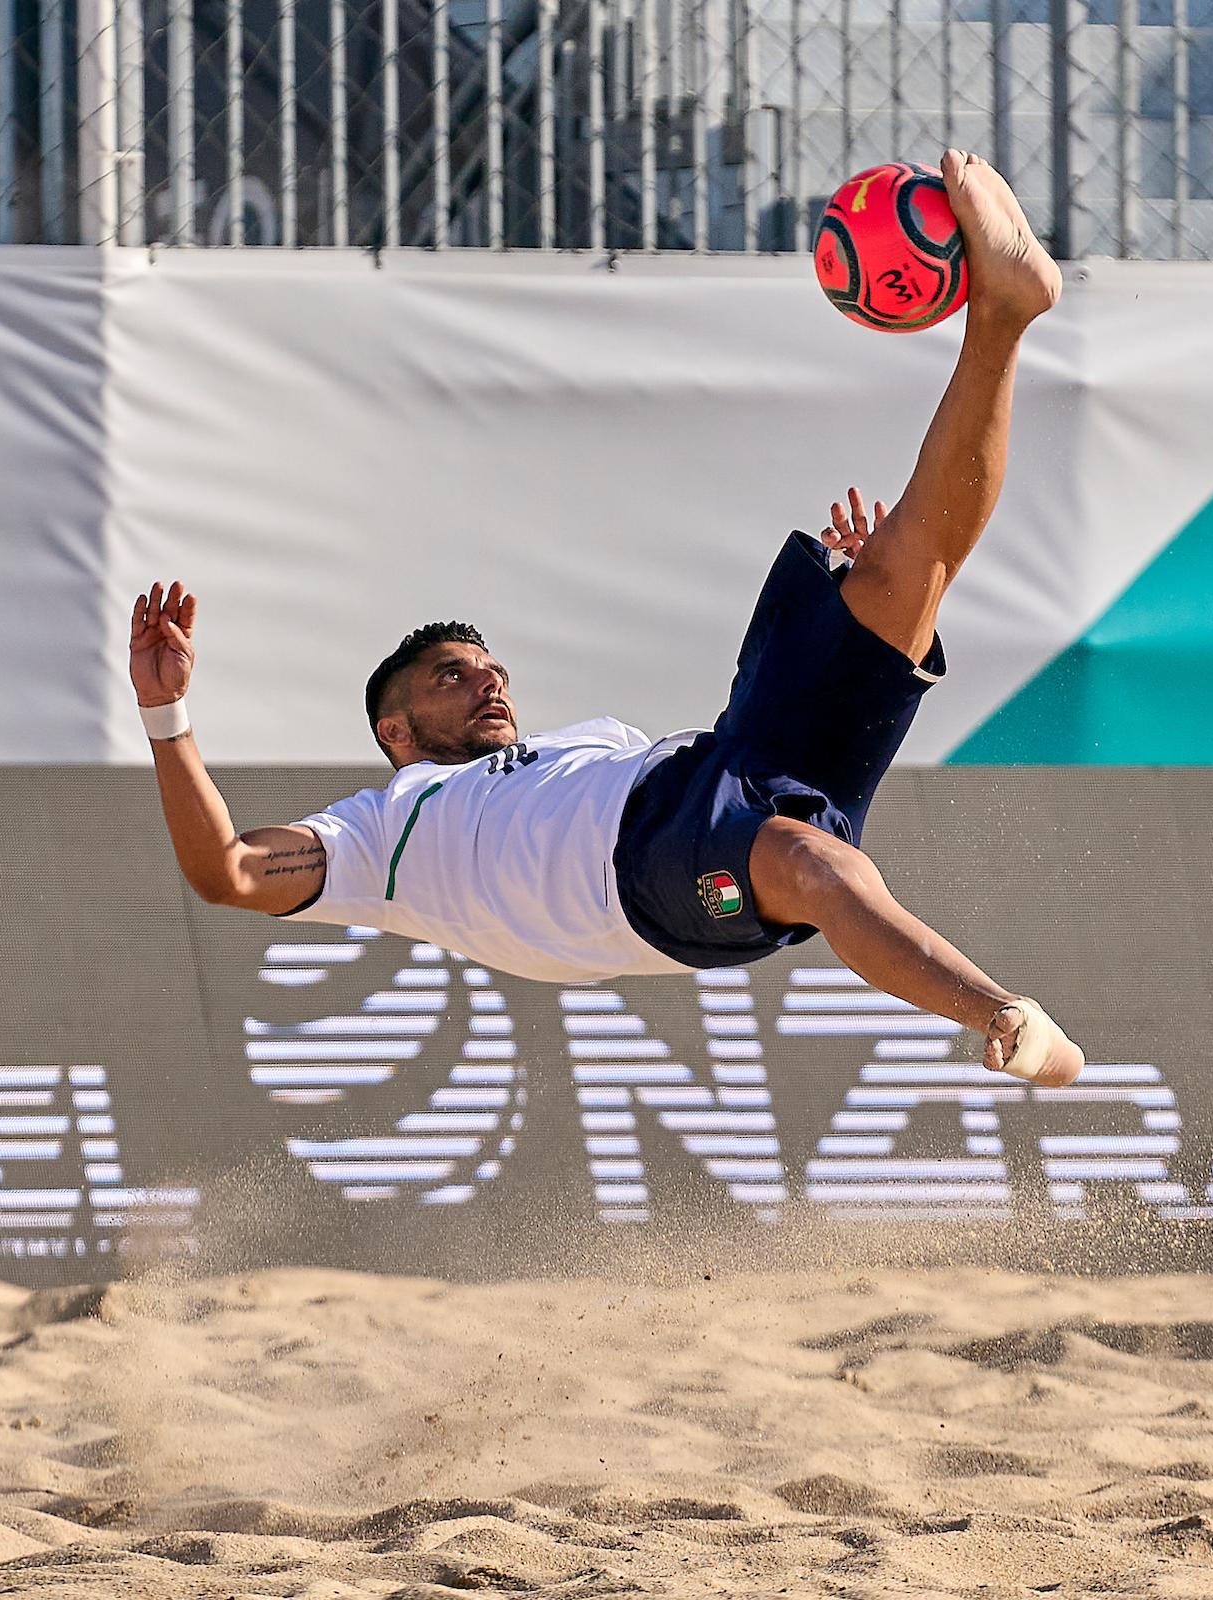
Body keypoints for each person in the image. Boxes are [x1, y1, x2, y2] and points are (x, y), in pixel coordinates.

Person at [129, 150, 1084, 1091]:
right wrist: (167, 717)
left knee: (896, 574)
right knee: (811, 861)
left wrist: (856, 598)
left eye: (488, 667)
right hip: (644, 875)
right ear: (396, 729)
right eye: (450, 678)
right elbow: (224, 872)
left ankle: (1002, 312)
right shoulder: (380, 837)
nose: (487, 681)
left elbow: (699, 763)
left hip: (709, 766)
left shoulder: (574, 745)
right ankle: (1002, 1016)